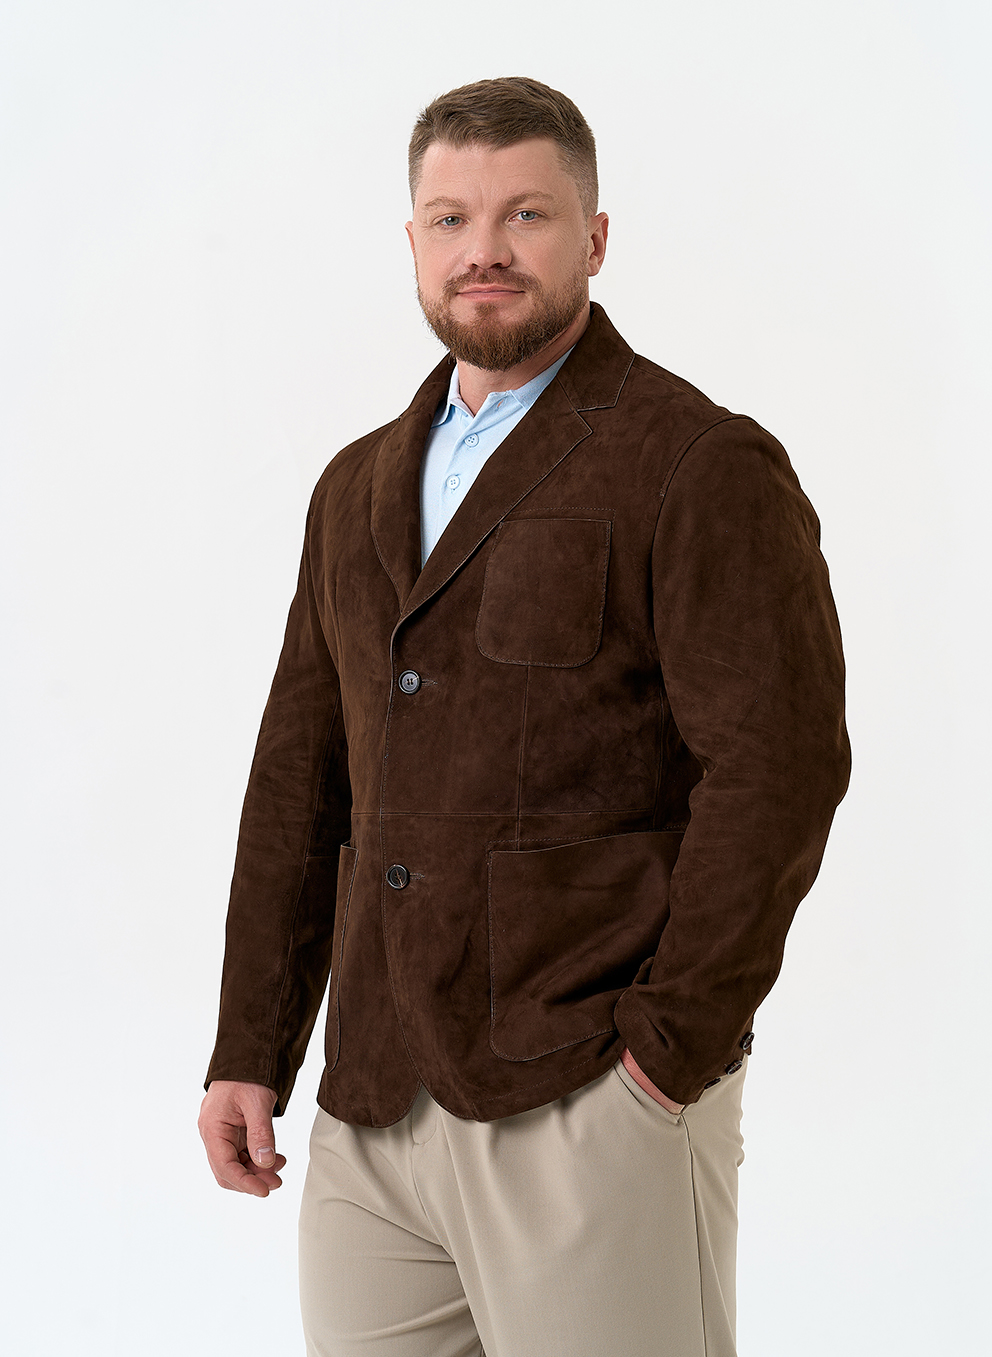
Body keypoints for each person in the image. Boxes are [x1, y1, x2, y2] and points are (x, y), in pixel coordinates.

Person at [199, 76, 850, 1357]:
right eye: (450, 219)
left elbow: (775, 772)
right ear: (412, 243)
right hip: (371, 1107)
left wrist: (663, 1059)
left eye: (525, 215)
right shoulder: (354, 485)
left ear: (593, 239)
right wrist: (250, 1045)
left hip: (586, 1088)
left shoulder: (694, 461)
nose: (482, 249)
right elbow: (299, 780)